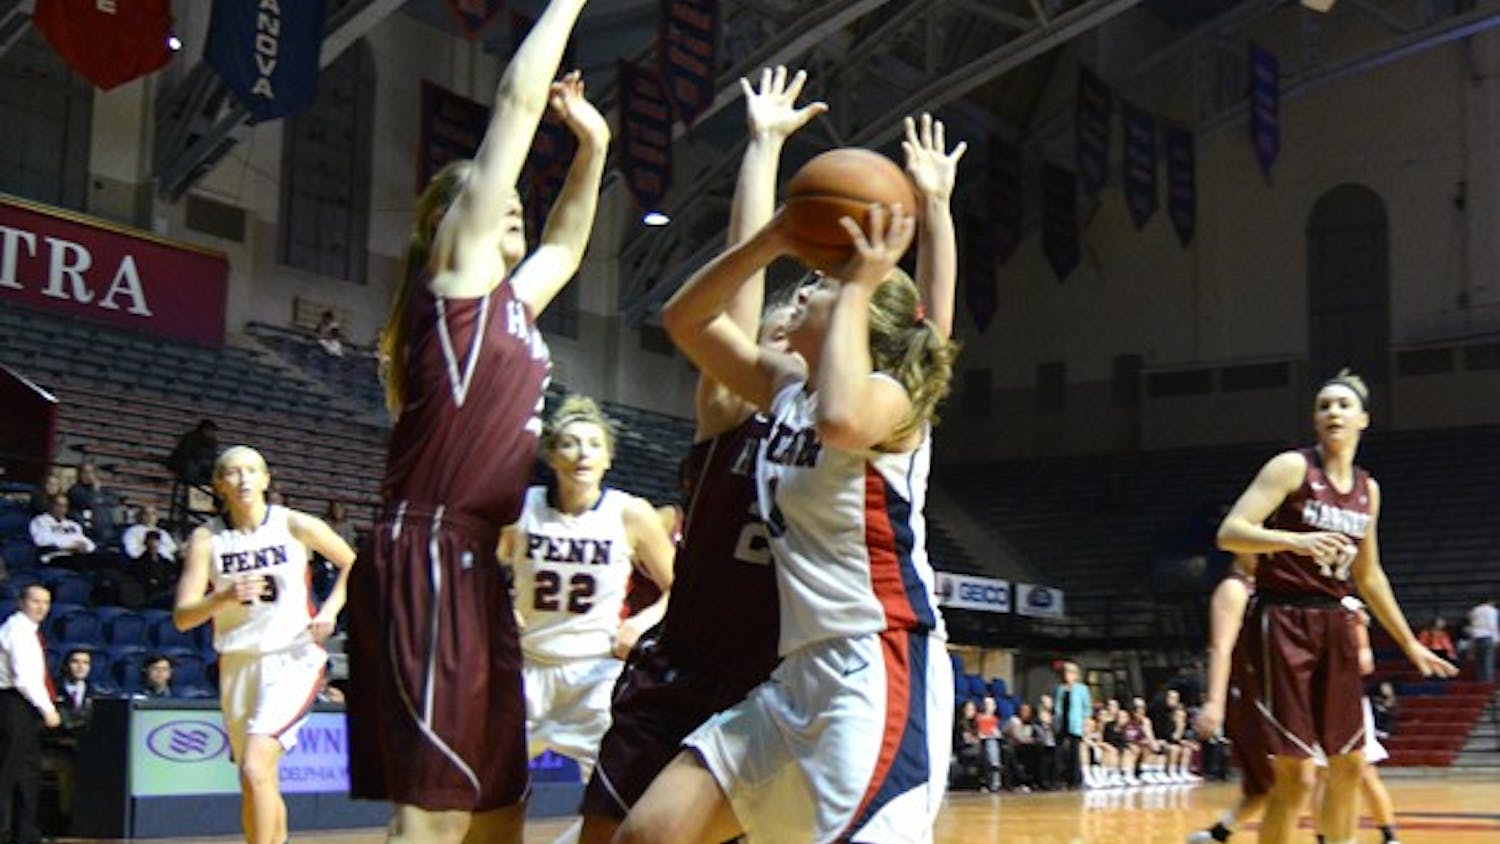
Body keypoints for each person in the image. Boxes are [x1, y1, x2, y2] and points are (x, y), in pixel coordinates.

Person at [585, 94, 961, 844]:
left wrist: (889, 255)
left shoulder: (890, 402)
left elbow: (851, 412)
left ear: (857, 318)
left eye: (819, 284)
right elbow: (686, 322)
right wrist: (773, 239)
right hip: (791, 677)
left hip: (878, 665)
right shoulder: (785, 392)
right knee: (646, 834)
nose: (811, 285)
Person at [343, 3, 605, 841]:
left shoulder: (512, 307)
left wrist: (594, 147)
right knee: (431, 814)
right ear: (449, 226)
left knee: (498, 802)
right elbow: (518, 109)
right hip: (423, 548)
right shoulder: (453, 288)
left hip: (473, 562)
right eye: (496, 197)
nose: (514, 204)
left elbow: (565, 248)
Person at [575, 66, 826, 844]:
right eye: (781, 318)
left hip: (773, 689)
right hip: (680, 674)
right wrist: (762, 149)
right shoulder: (731, 409)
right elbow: (736, 295)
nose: (782, 329)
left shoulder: (843, 436)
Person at [1216, 370, 1456, 844]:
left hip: (1336, 622)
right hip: (1282, 620)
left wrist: (1409, 642)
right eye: (1324, 405)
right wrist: (1295, 541)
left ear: (1363, 419)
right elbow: (1230, 531)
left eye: (1343, 405)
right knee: (1298, 774)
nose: (1333, 413)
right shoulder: (1290, 467)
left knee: (1349, 764)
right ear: (1314, 419)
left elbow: (1369, 575)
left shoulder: (1369, 490)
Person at [173, 445, 356, 844]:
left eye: (252, 471)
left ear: (266, 479)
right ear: (219, 484)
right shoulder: (207, 539)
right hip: (238, 662)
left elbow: (353, 563)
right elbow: (184, 616)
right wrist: (222, 596)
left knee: (257, 767)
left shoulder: (292, 524)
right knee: (254, 778)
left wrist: (329, 611)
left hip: (293, 658)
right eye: (233, 473)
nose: (243, 480)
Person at [499, 395, 675, 781]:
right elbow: (479, 570)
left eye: (595, 445)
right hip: (525, 667)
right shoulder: (519, 507)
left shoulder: (629, 513)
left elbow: (678, 588)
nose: (583, 454)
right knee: (485, 790)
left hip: (594, 674)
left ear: (608, 458)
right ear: (550, 455)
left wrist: (642, 622)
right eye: (570, 443)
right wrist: (498, 604)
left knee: (613, 794)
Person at [0, 585, 61, 844]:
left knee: (27, 770)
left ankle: (25, 832)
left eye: (46, 603)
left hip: (23, 706)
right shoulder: (18, 630)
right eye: (35, 601)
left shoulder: (29, 631)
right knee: (8, 771)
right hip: (13, 703)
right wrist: (48, 709)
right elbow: (24, 678)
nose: (41, 607)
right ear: (21, 601)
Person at [29, 493, 97, 566]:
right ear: (50, 505)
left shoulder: (73, 524)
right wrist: (70, 545)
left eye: (65, 506)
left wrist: (85, 546)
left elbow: (86, 541)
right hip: (55, 557)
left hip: (77, 555)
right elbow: (41, 540)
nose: (62, 509)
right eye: (58, 505)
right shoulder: (40, 521)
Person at [1054, 660, 1092, 789]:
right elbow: (1057, 706)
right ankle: (1058, 779)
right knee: (1058, 752)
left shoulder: (1082, 689)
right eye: (1065, 672)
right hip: (1061, 723)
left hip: (1075, 724)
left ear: (1076, 674)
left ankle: (1075, 780)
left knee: (1074, 752)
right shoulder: (1059, 688)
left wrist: (1085, 723)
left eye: (1070, 672)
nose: (1067, 675)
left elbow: (1087, 708)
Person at [67, 462, 121, 547]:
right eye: (85, 472)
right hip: (86, 530)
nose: (88, 475)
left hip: (105, 529)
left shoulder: (102, 489)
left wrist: (98, 497)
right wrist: (96, 493)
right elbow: (87, 502)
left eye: (91, 472)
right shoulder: (75, 490)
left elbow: (114, 501)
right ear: (79, 474)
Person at [167, 419, 219, 486]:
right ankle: (192, 480)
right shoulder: (191, 437)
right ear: (204, 430)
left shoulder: (212, 441)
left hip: (200, 464)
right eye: (210, 430)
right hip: (185, 462)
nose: (212, 433)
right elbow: (185, 452)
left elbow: (212, 456)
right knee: (192, 465)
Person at [1469, 597, 1497, 683]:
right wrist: (1496, 639)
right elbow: (1492, 624)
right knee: (1488, 661)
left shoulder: (1474, 610)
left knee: (1479, 662)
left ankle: (1480, 682)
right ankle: (1488, 683)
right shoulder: (1491, 610)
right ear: (1489, 602)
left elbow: (1472, 625)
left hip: (1476, 637)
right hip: (1487, 636)